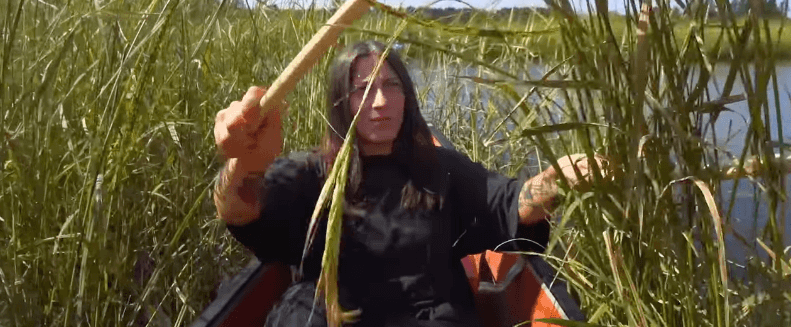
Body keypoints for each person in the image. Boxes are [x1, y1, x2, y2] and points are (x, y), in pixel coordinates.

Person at [213, 40, 602, 326]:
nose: (380, 102)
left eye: (391, 86)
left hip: (429, 315)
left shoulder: (441, 169)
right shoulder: (312, 174)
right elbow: (239, 207)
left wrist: (557, 180)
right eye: (362, 90)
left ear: (407, 97)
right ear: (339, 101)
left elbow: (510, 203)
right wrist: (243, 161)